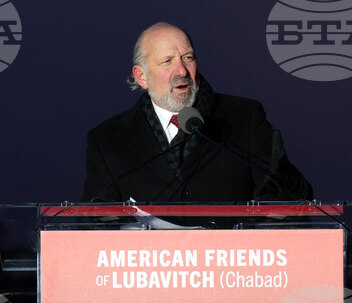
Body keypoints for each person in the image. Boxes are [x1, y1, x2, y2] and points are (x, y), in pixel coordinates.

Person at [82, 22, 312, 203]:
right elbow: (94, 219)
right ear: (141, 76)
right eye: (167, 61)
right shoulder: (107, 140)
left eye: (188, 58)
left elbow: (295, 198)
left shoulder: (244, 118)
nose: (181, 70)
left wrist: (278, 168)